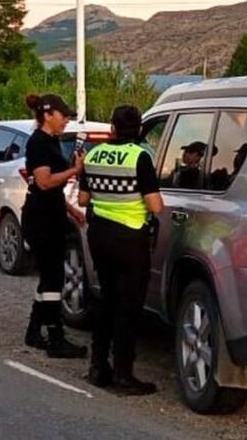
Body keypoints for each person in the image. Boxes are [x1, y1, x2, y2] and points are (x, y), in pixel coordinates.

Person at [79, 105, 164, 395]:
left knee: (105, 300)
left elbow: (83, 199)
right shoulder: (140, 156)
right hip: (130, 238)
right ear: (139, 129)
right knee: (128, 308)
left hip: (99, 235)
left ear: (112, 128)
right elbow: (155, 205)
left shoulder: (94, 154)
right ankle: (123, 375)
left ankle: (98, 367)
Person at [21, 93, 88, 358]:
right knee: (53, 279)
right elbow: (44, 182)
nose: (66, 120)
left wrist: (71, 210)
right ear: (48, 115)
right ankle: (55, 337)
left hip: (51, 214)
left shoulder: (51, 141)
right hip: (41, 219)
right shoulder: (39, 142)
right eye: (63, 115)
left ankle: (34, 330)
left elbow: (52, 190)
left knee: (50, 277)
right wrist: (75, 171)